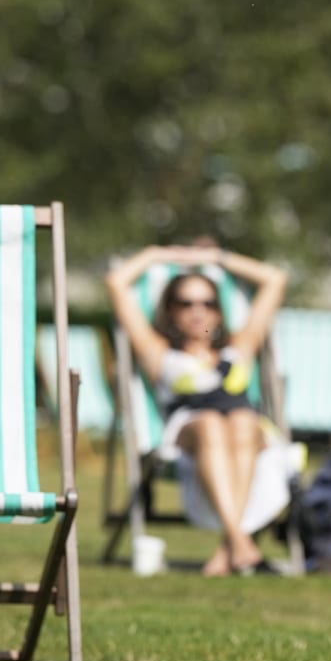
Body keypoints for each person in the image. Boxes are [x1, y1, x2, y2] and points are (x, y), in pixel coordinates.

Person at [106, 243, 289, 577]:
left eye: (207, 303)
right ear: (171, 310)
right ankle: (240, 541)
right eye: (185, 303)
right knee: (211, 423)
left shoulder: (239, 344)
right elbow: (117, 283)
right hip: (191, 429)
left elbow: (273, 280)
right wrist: (160, 254)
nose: (198, 312)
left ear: (218, 311)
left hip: (244, 430)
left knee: (243, 421)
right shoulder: (158, 350)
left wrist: (214, 257)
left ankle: (228, 548)